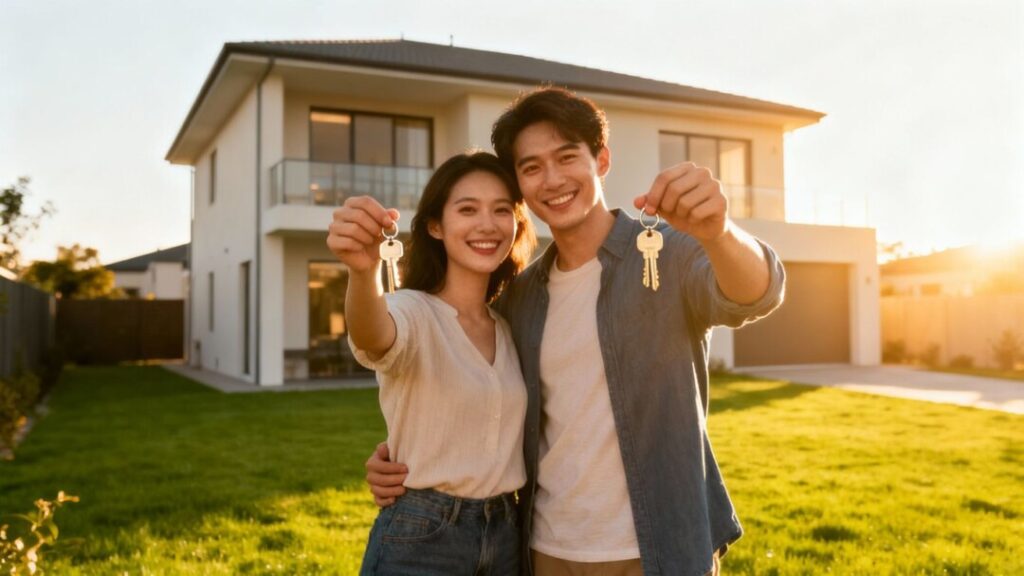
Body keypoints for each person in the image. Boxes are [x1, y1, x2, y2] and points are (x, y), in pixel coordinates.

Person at [366, 87, 786, 576]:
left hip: (658, 549)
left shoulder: (666, 253)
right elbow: (483, 400)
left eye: (567, 157)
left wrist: (718, 231)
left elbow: (758, 292)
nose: (553, 179)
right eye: (531, 167)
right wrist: (402, 460)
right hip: (545, 549)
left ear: (601, 159)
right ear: (521, 185)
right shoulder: (520, 297)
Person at [327, 151, 536, 575]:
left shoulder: (509, 325)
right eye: (467, 209)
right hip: (424, 534)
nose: (487, 224)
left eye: (501, 210)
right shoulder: (412, 311)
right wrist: (361, 273)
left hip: (508, 533)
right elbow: (374, 336)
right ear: (436, 226)